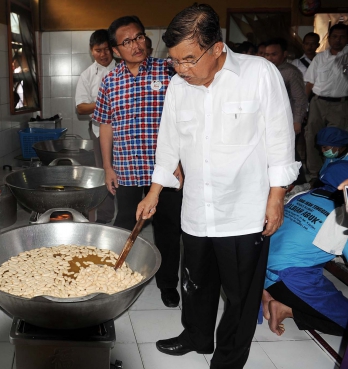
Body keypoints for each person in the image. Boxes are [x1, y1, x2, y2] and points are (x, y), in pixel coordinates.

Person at [137, 4, 300, 368]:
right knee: (194, 282)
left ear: (218, 48)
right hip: (197, 207)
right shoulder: (179, 86)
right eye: (175, 62)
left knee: (240, 296)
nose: (181, 70)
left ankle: (228, 357)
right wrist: (154, 192)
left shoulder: (259, 74)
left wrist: (277, 197)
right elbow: (169, 143)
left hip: (244, 210)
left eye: (189, 60)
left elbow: (280, 139)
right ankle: (196, 336)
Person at [92, 15, 183, 308]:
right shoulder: (110, 82)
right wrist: (108, 167)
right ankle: (122, 276)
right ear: (116, 50)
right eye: (128, 41)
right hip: (128, 167)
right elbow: (105, 127)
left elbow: (185, 119)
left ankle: (168, 283)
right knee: (126, 223)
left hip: (166, 170)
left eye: (140, 37)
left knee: (168, 227)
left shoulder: (168, 71)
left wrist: (182, 161)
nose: (137, 44)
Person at [262, 161, 348, 337]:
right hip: (287, 280)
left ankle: (266, 295)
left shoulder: (304, 195)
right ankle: (287, 310)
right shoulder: (342, 214)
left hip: (259, 271)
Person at [75, 29, 117, 224]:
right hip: (100, 130)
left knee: (126, 172)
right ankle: (106, 217)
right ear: (91, 51)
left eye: (106, 49)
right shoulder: (87, 75)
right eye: (98, 50)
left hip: (126, 131)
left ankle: (127, 213)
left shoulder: (123, 68)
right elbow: (80, 107)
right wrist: (104, 102)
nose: (103, 54)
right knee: (103, 172)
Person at [304, 23, 348, 182]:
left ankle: (333, 175)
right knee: (312, 138)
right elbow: (309, 83)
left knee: (336, 141)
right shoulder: (320, 57)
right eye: (335, 36)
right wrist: (304, 107)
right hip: (318, 103)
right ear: (329, 38)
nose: (338, 40)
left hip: (340, 104)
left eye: (342, 36)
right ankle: (315, 176)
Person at [265, 37, 308, 185]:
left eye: (274, 54)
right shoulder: (263, 69)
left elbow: (300, 99)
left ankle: (298, 183)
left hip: (286, 120)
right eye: (267, 54)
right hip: (268, 120)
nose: (269, 57)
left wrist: (297, 121)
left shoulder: (291, 72)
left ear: (284, 54)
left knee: (288, 152)